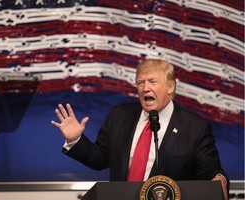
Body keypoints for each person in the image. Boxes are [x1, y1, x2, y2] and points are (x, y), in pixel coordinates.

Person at [51, 59, 229, 199]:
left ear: (170, 87)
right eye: (140, 83)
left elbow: (210, 171)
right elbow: (99, 159)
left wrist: (218, 179)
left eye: (153, 81)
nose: (145, 88)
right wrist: (75, 140)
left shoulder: (195, 128)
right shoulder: (119, 116)